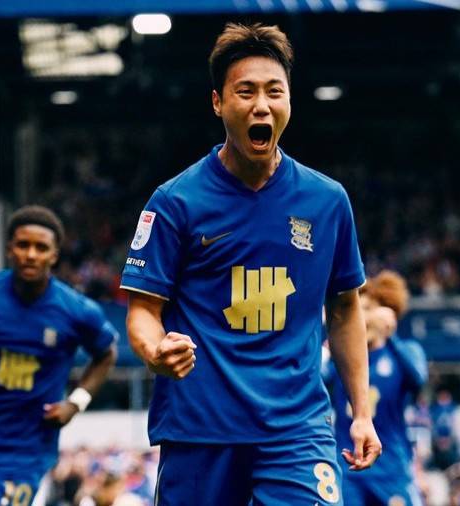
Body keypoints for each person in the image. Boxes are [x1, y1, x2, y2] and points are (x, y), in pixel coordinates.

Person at [120, 22, 380, 505]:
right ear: (218, 103)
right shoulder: (175, 202)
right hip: (201, 431)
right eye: (245, 92)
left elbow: (344, 309)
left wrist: (360, 412)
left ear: (289, 102)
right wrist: (155, 350)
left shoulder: (327, 202)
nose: (261, 105)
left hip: (296, 429)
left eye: (273, 92)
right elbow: (142, 311)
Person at [0, 205, 118, 505]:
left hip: (27, 448)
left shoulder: (76, 311)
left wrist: (75, 402)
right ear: (9, 249)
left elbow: (106, 354)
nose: (31, 254)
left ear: (54, 256)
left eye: (41, 247)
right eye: (23, 245)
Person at [326, 270, 428, 506]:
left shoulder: (404, 351)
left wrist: (390, 336)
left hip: (392, 468)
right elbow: (317, 378)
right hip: (348, 467)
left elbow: (418, 378)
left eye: (369, 310)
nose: (363, 319)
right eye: (358, 311)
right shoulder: (339, 359)